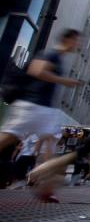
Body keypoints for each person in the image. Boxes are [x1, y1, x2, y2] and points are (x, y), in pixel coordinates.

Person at [0, 29, 82, 202]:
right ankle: (46, 187)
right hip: (32, 105)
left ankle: (47, 188)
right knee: (7, 138)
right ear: (68, 39)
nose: (78, 45)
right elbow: (36, 71)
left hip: (44, 109)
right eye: (76, 41)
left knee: (50, 147)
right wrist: (64, 81)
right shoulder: (50, 54)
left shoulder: (58, 58)